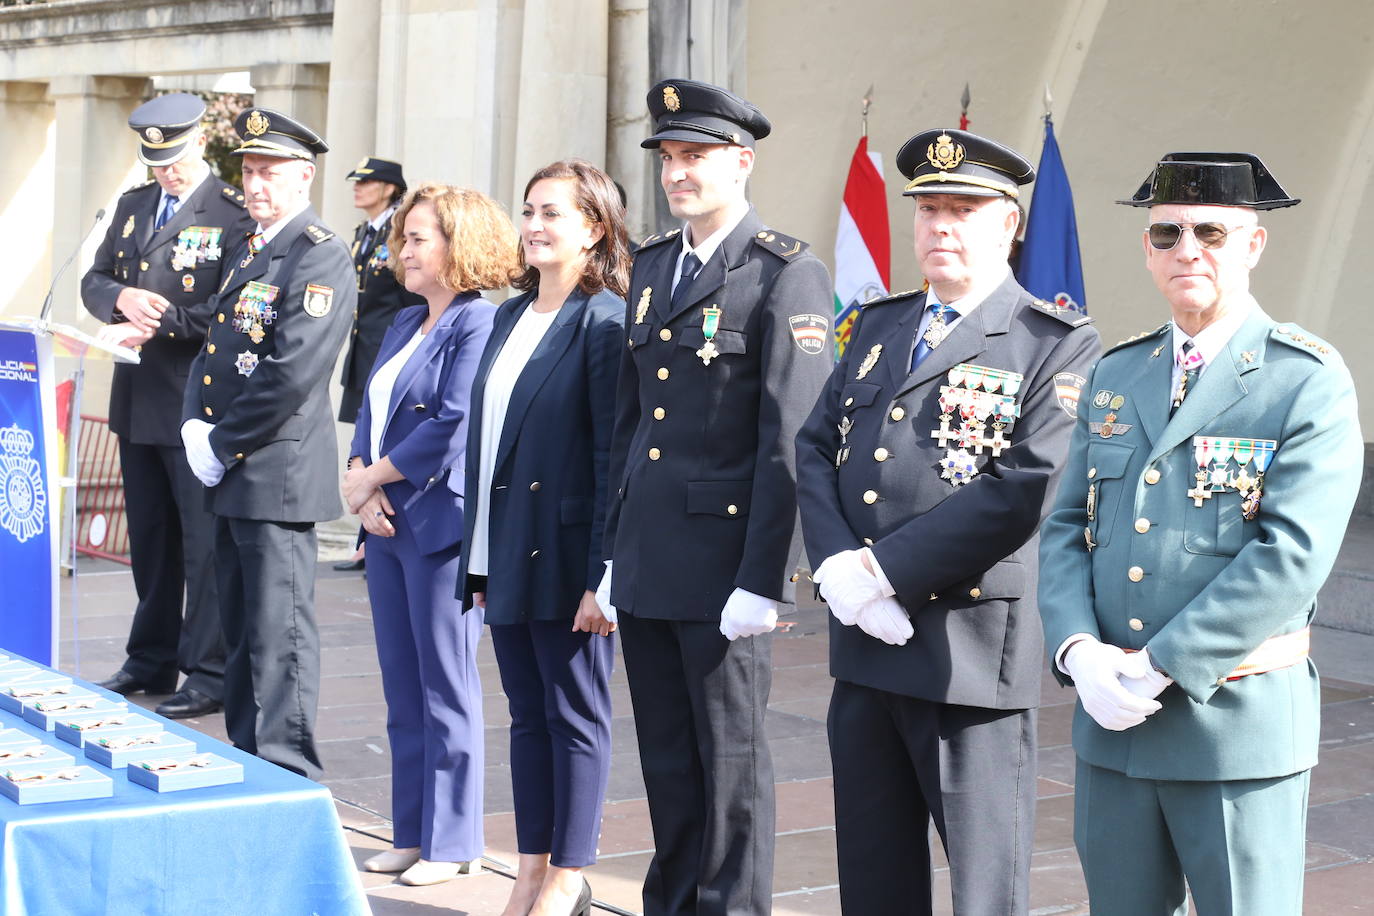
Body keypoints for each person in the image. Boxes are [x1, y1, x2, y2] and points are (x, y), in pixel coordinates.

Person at [1038, 152, 1364, 915]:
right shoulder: (1118, 372)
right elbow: (1064, 527)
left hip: (1232, 726)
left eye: (1211, 231)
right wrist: (1077, 649)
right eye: (1165, 233)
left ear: (1253, 245)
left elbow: (1293, 554)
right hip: (1113, 725)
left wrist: (1163, 664)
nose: (1186, 249)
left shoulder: (1303, 377)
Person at [795, 128, 1100, 915]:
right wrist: (838, 572)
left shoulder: (1053, 343)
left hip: (966, 655)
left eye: (963, 208)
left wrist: (881, 573)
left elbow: (1024, 486)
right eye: (929, 208)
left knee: (983, 884)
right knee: (872, 871)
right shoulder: (878, 326)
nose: (940, 226)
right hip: (865, 643)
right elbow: (815, 444)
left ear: (1010, 223)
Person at [599, 79, 833, 916]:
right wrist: (610, 557)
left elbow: (791, 438)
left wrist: (765, 578)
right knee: (666, 756)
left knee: (730, 761)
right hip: (652, 553)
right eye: (668, 157)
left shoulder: (784, 271)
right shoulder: (655, 268)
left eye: (695, 156)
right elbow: (630, 428)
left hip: (727, 563)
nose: (677, 173)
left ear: (741, 161)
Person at [458, 159, 628, 916]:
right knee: (527, 717)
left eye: (552, 213)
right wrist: (479, 553)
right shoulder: (507, 314)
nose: (533, 225)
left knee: (575, 715)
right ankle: (529, 867)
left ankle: (568, 876)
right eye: (528, 211)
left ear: (594, 228)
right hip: (506, 545)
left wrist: (603, 573)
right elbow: (489, 443)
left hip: (567, 554)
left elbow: (610, 456)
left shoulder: (604, 319)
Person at [343, 183, 515, 885]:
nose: (403, 249)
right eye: (403, 237)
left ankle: (453, 841)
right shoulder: (403, 321)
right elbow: (367, 407)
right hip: (386, 522)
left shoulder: (479, 321)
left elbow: (452, 424)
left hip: (440, 526)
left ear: (459, 244)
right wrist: (360, 478)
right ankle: (411, 831)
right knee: (401, 684)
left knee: (446, 685)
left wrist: (372, 478)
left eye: (418, 238)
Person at [179, 106, 356, 780]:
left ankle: (286, 769)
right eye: (249, 170)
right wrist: (195, 423)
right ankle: (250, 755)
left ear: (304, 176)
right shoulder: (249, 247)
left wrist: (221, 442)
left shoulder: (318, 252)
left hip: (273, 473)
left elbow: (292, 370)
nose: (256, 184)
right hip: (232, 470)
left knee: (277, 634)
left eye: (270, 172)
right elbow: (215, 349)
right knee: (240, 626)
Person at [81, 92, 251, 719]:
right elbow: (94, 280)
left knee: (202, 545)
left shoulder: (232, 214)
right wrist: (120, 301)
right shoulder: (132, 206)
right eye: (155, 163)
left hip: (194, 404)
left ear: (198, 143)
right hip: (135, 398)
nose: (165, 173)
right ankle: (149, 656)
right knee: (150, 540)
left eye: (174, 160)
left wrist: (166, 322)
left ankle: (206, 670)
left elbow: (238, 313)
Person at [335, 158, 423, 573]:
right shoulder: (364, 235)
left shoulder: (396, 234)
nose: (357, 188)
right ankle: (367, 536)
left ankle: (372, 538)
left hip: (390, 352)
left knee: (386, 444)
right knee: (366, 442)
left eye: (366, 182)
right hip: (365, 352)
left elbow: (411, 300)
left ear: (389, 188)